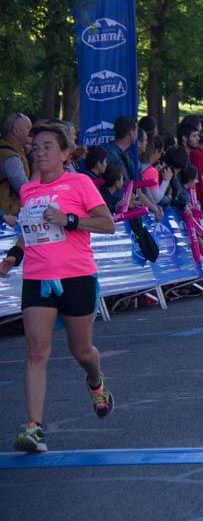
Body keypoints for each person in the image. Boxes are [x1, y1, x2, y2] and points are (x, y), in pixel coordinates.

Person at [1, 124, 117, 453]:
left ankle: (95, 380)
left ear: (65, 154)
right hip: (38, 277)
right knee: (36, 352)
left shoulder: (79, 183)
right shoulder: (29, 191)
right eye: (35, 147)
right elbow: (30, 229)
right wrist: (14, 255)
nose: (39, 152)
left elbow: (107, 224)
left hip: (77, 275)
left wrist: (69, 220)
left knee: (82, 351)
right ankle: (34, 428)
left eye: (47, 146)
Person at [0, 113, 33, 222]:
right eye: (28, 129)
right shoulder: (10, 158)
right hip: (7, 217)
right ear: (16, 131)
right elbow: (24, 190)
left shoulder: (10, 151)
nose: (32, 134)